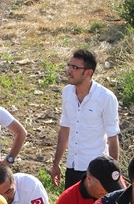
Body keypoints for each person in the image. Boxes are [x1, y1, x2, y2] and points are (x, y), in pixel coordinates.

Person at [48, 49, 120, 190]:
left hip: (96, 170)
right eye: (69, 65)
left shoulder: (106, 98)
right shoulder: (67, 92)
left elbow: (112, 137)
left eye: (75, 67)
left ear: (88, 72)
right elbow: (65, 129)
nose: (69, 70)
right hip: (73, 166)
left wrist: (113, 173)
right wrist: (56, 163)